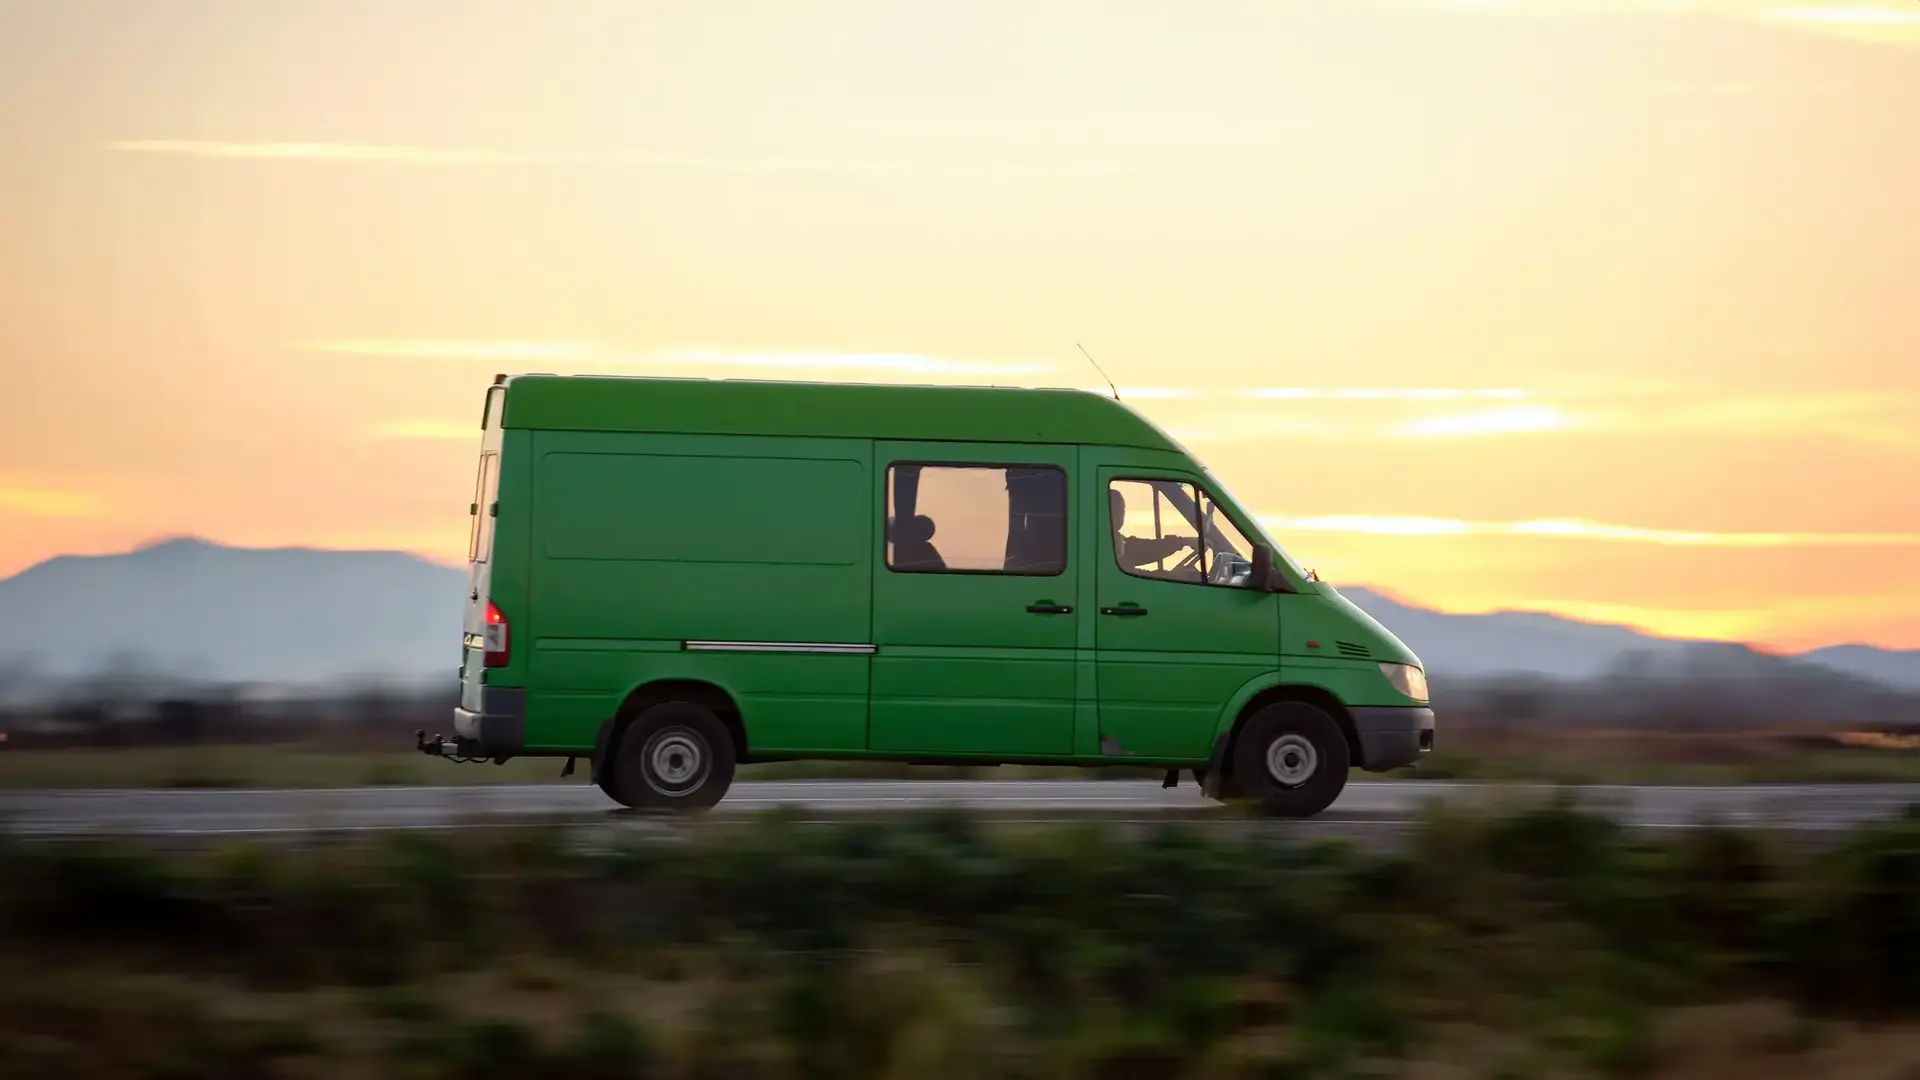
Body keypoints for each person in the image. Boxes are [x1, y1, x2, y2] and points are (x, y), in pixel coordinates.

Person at [1108, 487, 1198, 577]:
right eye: (1119, 507)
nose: (1123, 512)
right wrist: (1172, 575)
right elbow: (1133, 577)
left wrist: (1183, 542)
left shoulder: (1114, 538)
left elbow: (1141, 548)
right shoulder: (1106, 542)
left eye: (1122, 508)